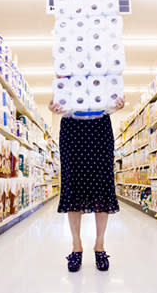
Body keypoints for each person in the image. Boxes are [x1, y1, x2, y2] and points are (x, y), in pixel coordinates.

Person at [49, 97, 125, 272]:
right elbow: (59, 91)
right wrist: (52, 105)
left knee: (102, 182)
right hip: (71, 125)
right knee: (72, 182)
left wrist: (117, 103)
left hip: (100, 126)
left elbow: (112, 88)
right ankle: (76, 245)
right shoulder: (67, 69)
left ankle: (100, 245)